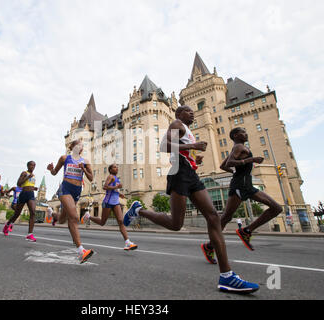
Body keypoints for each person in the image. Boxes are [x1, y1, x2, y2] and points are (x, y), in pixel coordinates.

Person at [123, 106, 259, 293]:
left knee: (213, 217)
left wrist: (196, 159)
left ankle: (227, 276)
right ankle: (138, 210)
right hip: (179, 173)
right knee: (176, 224)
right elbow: (164, 146)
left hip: (191, 173)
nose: (192, 113)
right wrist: (192, 147)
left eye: (193, 111)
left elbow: (183, 153)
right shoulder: (176, 124)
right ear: (179, 115)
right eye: (188, 110)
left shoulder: (188, 131)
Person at [200, 127, 282, 262]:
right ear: (236, 135)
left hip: (246, 184)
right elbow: (230, 162)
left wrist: (235, 172)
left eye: (245, 131)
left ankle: (247, 231)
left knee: (276, 208)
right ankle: (210, 246)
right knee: (226, 217)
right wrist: (251, 160)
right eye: (243, 132)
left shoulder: (238, 148)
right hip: (240, 185)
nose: (246, 133)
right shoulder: (238, 147)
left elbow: (223, 166)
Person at [47, 140, 95, 264]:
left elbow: (91, 178)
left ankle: (51, 213)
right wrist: (51, 169)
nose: (80, 147)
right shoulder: (64, 158)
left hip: (77, 191)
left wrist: (84, 169)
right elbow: (54, 173)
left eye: (82, 146)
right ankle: (81, 251)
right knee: (74, 217)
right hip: (65, 189)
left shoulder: (85, 162)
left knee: (62, 219)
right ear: (72, 147)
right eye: (78, 145)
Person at [81, 164, 137, 251]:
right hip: (108, 202)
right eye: (114, 167)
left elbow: (114, 190)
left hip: (116, 202)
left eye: (117, 167)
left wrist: (119, 193)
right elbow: (105, 187)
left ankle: (127, 242)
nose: (117, 168)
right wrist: (116, 187)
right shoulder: (110, 176)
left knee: (120, 221)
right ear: (110, 170)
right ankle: (88, 216)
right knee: (102, 222)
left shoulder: (116, 178)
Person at [2, 162, 38, 242]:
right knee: (17, 214)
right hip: (23, 194)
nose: (32, 166)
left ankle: (29, 234)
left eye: (34, 165)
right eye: (31, 165)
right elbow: (19, 184)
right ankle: (7, 224)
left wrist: (33, 188)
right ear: (28, 166)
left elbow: (28, 184)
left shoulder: (33, 175)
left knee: (32, 212)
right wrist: (28, 177)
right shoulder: (24, 173)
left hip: (31, 195)